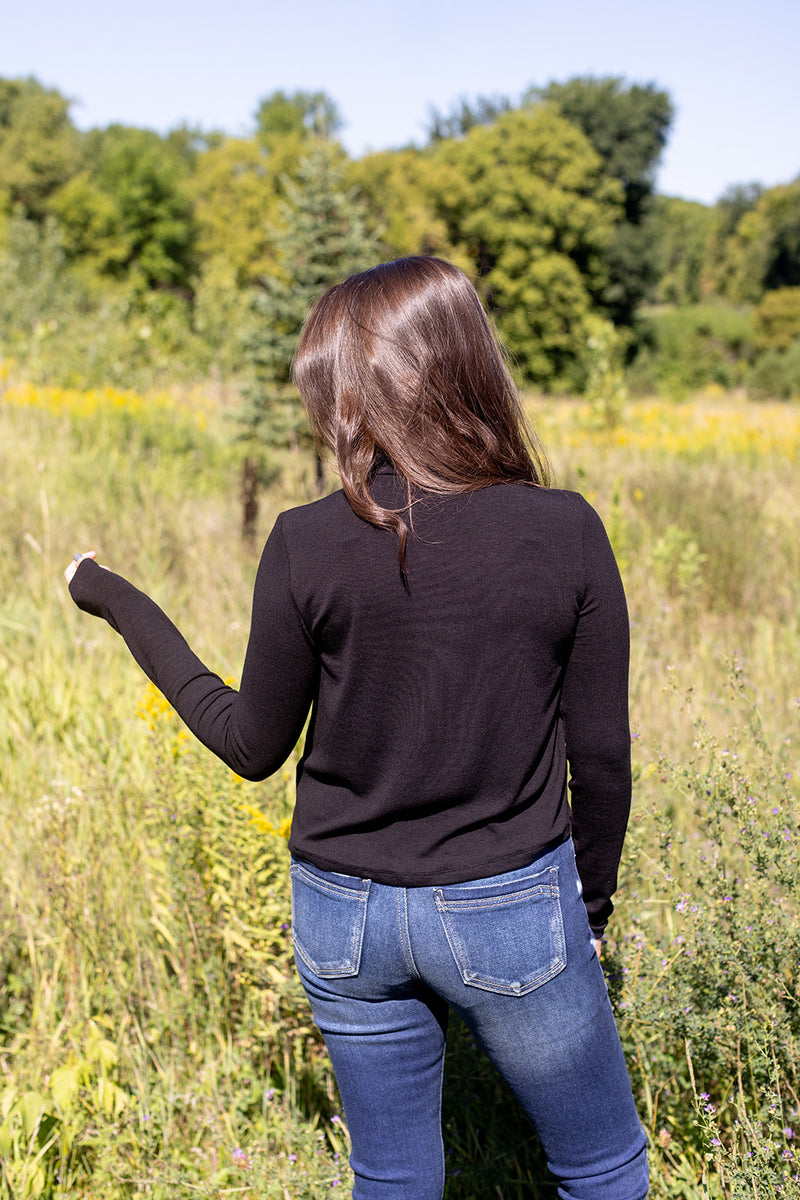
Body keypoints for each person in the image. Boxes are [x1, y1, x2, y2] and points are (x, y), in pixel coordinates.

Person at [66, 256, 649, 1199]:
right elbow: (604, 761)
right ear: (467, 365)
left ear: (350, 393)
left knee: (394, 1178)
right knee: (602, 1171)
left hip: (345, 919)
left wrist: (116, 598)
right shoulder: (565, 529)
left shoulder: (306, 540)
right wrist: (589, 913)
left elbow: (251, 746)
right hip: (510, 911)